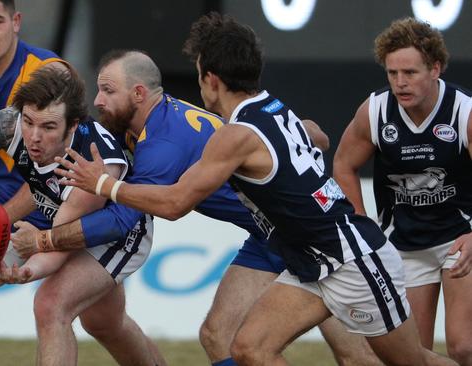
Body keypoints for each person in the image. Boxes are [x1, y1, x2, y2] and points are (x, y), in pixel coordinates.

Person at [52, 13, 459, 366]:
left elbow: (175, 203)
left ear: (211, 79)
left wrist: (104, 183)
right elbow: (317, 136)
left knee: (407, 361)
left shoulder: (235, 136)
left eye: (199, 74)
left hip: (350, 259)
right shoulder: (270, 106)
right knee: (247, 348)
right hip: (306, 255)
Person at [0, 49, 381, 366]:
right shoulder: (153, 121)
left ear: (138, 94)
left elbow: (123, 220)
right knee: (218, 335)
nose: (98, 101)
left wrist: (46, 239)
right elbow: (314, 133)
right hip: (269, 235)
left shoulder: (160, 146)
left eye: (107, 91)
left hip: (308, 234)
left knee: (356, 356)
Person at [0, 66, 162, 366]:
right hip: (52, 207)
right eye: (29, 122)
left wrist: (25, 273)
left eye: (48, 127)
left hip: (114, 232)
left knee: (51, 305)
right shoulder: (9, 123)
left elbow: (58, 242)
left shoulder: (90, 165)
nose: (33, 137)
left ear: (72, 126)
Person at [333, 17, 472, 365]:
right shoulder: (375, 111)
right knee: (413, 356)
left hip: (459, 236)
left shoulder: (464, 111)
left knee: (463, 345)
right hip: (405, 245)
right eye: (392, 73)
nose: (400, 82)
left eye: (410, 72)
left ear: (435, 69)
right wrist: (362, 226)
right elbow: (343, 165)